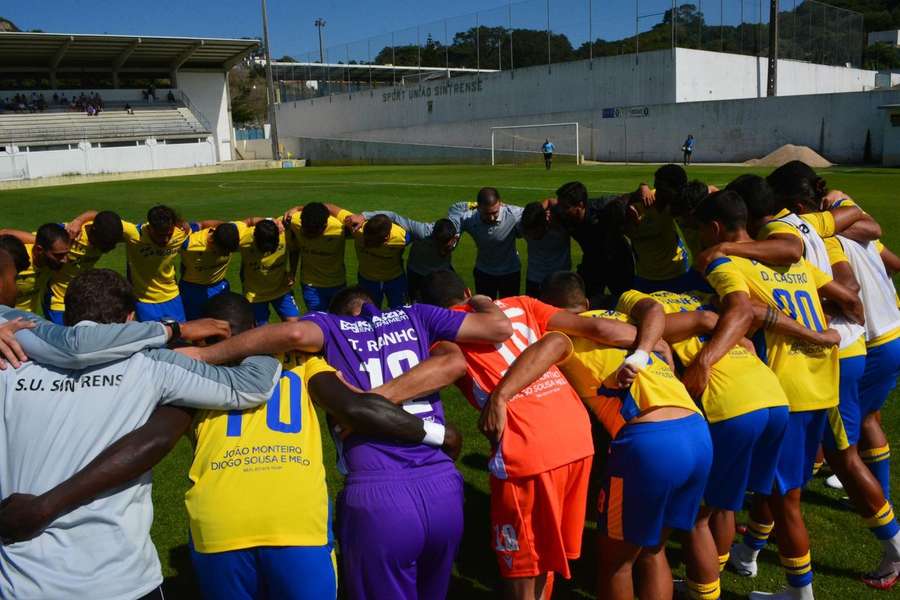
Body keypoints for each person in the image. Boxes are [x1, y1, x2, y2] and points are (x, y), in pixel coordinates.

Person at [0, 291, 470, 600]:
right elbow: (358, 407)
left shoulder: (185, 378)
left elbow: (156, 438)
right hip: (296, 524)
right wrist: (436, 433)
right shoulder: (303, 367)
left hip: (219, 523)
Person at [0, 268, 282, 600]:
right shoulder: (151, 366)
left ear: (66, 313)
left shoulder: (10, 366)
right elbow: (250, 386)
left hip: (24, 582)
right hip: (121, 581)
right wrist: (261, 340)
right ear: (131, 318)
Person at [419, 269, 669, 600]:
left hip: (527, 448)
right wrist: (650, 343)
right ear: (467, 290)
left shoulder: (438, 333)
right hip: (576, 436)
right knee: (546, 552)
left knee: (522, 568)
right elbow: (598, 328)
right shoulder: (521, 303)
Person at [300, 286, 512, 600]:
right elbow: (471, 348)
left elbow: (290, 337)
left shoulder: (329, 341)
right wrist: (476, 300)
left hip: (377, 497)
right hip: (443, 488)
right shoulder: (416, 321)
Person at [695, 190, 856, 600]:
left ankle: (800, 594)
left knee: (786, 500)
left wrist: (706, 359)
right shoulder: (793, 261)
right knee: (781, 490)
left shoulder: (726, 262)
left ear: (713, 229)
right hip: (822, 382)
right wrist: (824, 327)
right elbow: (850, 300)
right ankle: (749, 556)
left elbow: (740, 309)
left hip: (787, 387)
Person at [531, 272, 712, 600]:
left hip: (649, 441)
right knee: (652, 548)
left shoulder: (557, 334)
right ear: (586, 303)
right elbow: (657, 335)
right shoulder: (628, 321)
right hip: (697, 430)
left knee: (616, 562)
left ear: (547, 308)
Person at [553, 181, 634, 300]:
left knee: (624, 300)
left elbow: (628, 197)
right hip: (592, 260)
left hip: (618, 261)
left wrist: (643, 188)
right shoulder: (564, 215)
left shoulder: (600, 207)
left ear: (580, 205)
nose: (561, 210)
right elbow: (550, 202)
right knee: (583, 300)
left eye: (565, 207)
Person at [626, 165, 699, 294]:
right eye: (658, 187)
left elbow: (710, 191)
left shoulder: (677, 204)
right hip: (646, 277)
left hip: (677, 273)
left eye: (664, 190)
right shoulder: (638, 205)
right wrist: (641, 189)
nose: (659, 193)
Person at [359, 210, 459, 301]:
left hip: (441, 272)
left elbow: (458, 207)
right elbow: (393, 216)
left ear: (455, 237)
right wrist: (364, 216)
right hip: (417, 272)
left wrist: (471, 205)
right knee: (415, 306)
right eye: (439, 244)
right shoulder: (422, 231)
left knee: (443, 303)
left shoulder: (458, 226)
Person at [44, 210, 124, 324]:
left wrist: (80, 219)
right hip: (58, 301)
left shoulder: (109, 232)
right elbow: (42, 237)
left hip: (82, 300)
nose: (107, 250)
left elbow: (101, 215)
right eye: (105, 244)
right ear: (94, 232)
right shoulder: (70, 233)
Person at [123, 205, 200, 322]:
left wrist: (182, 222)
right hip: (144, 300)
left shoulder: (180, 233)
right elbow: (102, 218)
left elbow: (204, 225)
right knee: (151, 339)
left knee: (180, 336)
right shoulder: (135, 234)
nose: (165, 240)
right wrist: (83, 219)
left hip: (172, 295)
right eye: (160, 235)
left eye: (169, 234)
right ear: (150, 227)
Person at [448, 187, 524, 300]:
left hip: (510, 272)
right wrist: (455, 234)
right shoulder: (469, 218)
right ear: (478, 207)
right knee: (485, 312)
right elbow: (454, 209)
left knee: (510, 311)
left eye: (495, 212)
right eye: (487, 213)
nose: (492, 217)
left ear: (500, 205)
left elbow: (535, 210)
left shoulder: (513, 214)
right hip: (484, 273)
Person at [284, 202, 353, 312]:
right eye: (305, 228)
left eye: (312, 232)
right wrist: (292, 272)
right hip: (310, 285)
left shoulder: (341, 227)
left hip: (337, 283)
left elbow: (364, 225)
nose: (307, 234)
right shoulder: (293, 220)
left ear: (324, 226)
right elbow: (294, 248)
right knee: (318, 322)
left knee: (338, 321)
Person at [339, 209, 411, 309]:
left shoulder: (400, 238)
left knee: (400, 311)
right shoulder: (402, 238)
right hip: (369, 280)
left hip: (394, 280)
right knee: (369, 312)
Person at [179, 220, 248, 320]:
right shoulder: (189, 244)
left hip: (219, 286)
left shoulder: (234, 233)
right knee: (195, 323)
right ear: (212, 242)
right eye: (223, 251)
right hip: (192, 290)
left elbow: (250, 221)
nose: (226, 254)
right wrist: (193, 226)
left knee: (224, 321)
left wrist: (273, 221)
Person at [239, 218, 300, 326]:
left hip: (281, 289)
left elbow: (294, 250)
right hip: (255, 295)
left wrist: (292, 272)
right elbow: (226, 230)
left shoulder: (285, 233)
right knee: (260, 332)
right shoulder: (243, 238)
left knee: (295, 324)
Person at [0, 223, 72, 314]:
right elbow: (3, 233)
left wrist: (79, 220)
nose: (64, 260)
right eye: (58, 255)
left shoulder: (52, 259)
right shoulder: (17, 259)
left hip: (29, 318)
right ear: (39, 250)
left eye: (66, 254)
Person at [520, 200, 571, 298]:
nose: (532, 236)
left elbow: (552, 201)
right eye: (529, 232)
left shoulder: (560, 228)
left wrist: (546, 206)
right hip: (534, 278)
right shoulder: (523, 224)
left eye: (535, 232)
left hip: (559, 280)